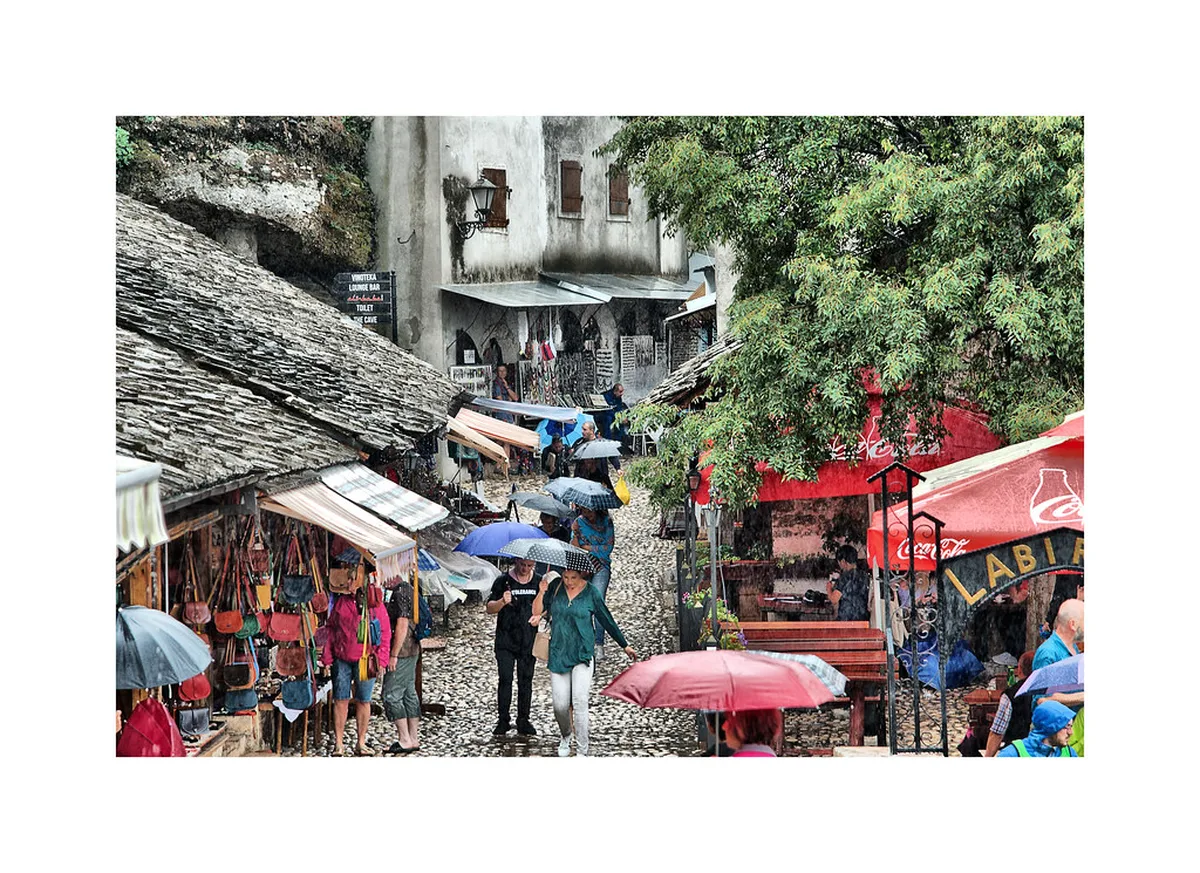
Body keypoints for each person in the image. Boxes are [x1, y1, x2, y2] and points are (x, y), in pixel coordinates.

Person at [529, 566, 635, 756]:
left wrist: (624, 644)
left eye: (573, 578)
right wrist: (541, 591)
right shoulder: (555, 587)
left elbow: (606, 618)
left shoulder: (591, 593)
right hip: (559, 652)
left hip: (583, 653)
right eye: (566, 577)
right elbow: (538, 610)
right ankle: (566, 734)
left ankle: (582, 750)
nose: (569, 581)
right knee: (559, 705)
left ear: (582, 575)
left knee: (580, 700)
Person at [321, 580, 391, 756]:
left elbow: (384, 632)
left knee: (364, 700)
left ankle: (361, 742)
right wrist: (327, 658)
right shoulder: (341, 602)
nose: (350, 583)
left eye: (354, 579)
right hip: (342, 658)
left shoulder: (375, 603)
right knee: (340, 699)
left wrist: (382, 660)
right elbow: (331, 630)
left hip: (366, 659)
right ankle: (339, 743)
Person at [486, 558, 542, 737]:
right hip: (506, 640)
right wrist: (502, 601)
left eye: (529, 566)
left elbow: (542, 609)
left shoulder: (538, 582)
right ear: (516, 562)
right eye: (522, 565)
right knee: (505, 679)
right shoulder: (503, 581)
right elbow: (489, 608)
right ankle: (503, 719)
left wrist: (541, 602)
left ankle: (523, 719)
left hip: (528, 640)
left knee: (526, 680)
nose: (525, 569)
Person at [571, 505, 616, 659]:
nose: (587, 514)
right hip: (583, 567)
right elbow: (574, 548)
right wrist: (576, 533)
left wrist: (586, 547)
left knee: (598, 602)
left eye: (589, 511)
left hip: (601, 567)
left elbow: (606, 549)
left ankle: (599, 643)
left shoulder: (606, 523)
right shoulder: (578, 523)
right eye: (583, 511)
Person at [382, 580, 421, 754]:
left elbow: (402, 624)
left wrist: (393, 654)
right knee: (408, 692)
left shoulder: (400, 593)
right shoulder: (408, 588)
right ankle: (412, 737)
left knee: (391, 694)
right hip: (411, 648)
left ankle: (405, 738)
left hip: (403, 650)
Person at [1031, 598, 1085, 710]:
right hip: (1057, 725)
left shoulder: (1073, 647)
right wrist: (1082, 697)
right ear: (1073, 624)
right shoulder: (1048, 652)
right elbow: (1041, 700)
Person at [984, 651, 1036, 756]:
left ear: (1019, 670)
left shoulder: (1011, 695)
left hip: (1017, 750)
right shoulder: (1049, 691)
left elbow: (997, 732)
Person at [994, 700, 1078, 757]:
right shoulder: (1012, 754)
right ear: (1050, 727)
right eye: (1066, 727)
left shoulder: (1070, 753)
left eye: (1071, 726)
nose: (1071, 732)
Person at [828, 544, 870, 622]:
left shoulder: (844, 577)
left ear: (843, 561)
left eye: (839, 562)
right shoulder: (864, 575)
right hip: (863, 619)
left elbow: (834, 599)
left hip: (846, 619)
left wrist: (829, 588)